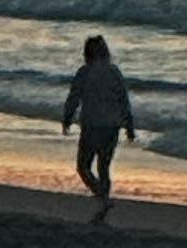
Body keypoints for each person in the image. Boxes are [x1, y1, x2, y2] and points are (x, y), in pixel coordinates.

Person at [58, 32, 137, 209]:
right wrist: (129, 125)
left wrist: (67, 118)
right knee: (104, 167)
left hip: (92, 125)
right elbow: (123, 100)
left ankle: (101, 196)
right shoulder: (114, 72)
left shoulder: (84, 72)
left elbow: (74, 98)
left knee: (83, 166)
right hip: (112, 126)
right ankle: (104, 199)